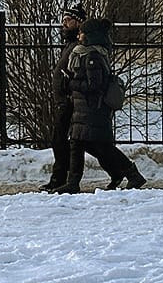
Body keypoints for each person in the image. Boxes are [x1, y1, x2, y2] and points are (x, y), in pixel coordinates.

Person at [62, 17, 147, 192]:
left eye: (82, 33)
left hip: (93, 108)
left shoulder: (92, 56)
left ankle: (132, 174)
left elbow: (95, 85)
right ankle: (74, 182)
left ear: (91, 35)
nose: (78, 36)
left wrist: (72, 83)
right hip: (84, 108)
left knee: (100, 146)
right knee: (80, 144)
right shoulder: (84, 53)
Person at [42, 4, 85, 192]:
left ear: (78, 22)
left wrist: (68, 90)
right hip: (63, 100)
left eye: (68, 20)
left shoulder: (78, 46)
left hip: (69, 101)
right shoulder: (70, 44)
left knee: (60, 140)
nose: (64, 24)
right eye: (63, 20)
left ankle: (60, 179)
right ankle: (61, 178)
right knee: (63, 141)